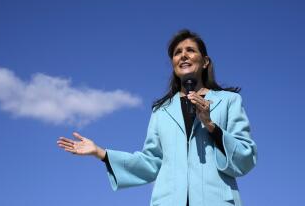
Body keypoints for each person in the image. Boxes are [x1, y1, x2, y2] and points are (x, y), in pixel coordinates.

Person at [57, 29, 257, 206]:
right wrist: (101, 153)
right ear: (173, 65)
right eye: (177, 53)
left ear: (205, 62)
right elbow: (151, 162)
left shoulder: (229, 101)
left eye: (190, 50)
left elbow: (245, 157)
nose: (183, 55)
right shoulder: (161, 111)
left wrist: (211, 125)